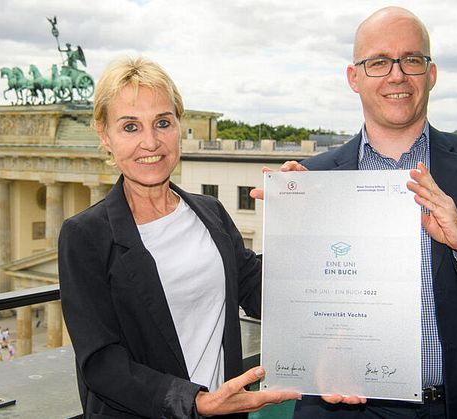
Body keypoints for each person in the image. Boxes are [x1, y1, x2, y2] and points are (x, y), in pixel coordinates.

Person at [257, 7, 457, 419]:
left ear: (430, 74)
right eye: (378, 62)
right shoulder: (316, 180)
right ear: (354, 77)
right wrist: (290, 223)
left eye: (412, 60)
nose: (397, 75)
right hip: (346, 407)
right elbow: (293, 300)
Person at [58, 56, 300, 418]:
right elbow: (101, 362)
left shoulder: (210, 213)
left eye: (162, 123)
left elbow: (261, 292)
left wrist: (302, 217)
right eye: (130, 127)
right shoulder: (84, 235)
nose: (150, 142)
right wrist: (195, 402)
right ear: (104, 136)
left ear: (178, 127)